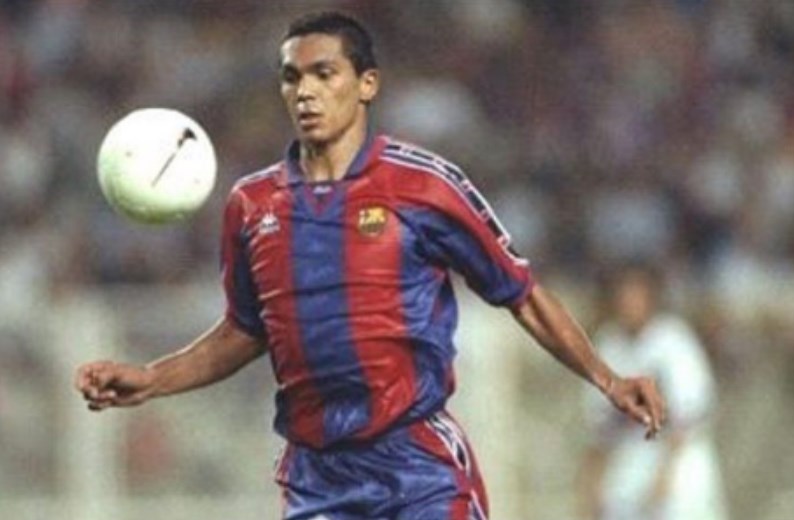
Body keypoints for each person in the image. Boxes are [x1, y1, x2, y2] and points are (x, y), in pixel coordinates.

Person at [75, 12, 666, 520]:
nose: (305, 92)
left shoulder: (424, 185)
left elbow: (521, 293)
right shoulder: (252, 205)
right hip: (317, 478)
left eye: (323, 73)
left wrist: (607, 378)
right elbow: (245, 330)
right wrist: (152, 378)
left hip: (418, 467)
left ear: (366, 84)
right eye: (291, 77)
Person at [578, 262, 727, 520]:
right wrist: (591, 487)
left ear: (652, 298)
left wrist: (664, 475)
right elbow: (600, 430)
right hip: (627, 469)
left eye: (635, 294)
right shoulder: (608, 345)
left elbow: (687, 416)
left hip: (679, 470)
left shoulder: (674, 341)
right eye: (622, 294)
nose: (628, 302)